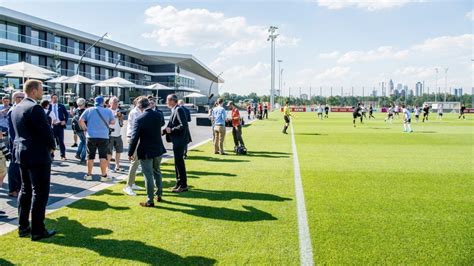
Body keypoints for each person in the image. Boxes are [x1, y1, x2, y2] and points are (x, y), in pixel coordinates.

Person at [11, 79, 57, 241]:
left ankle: (23, 227)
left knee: (25, 190)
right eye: (40, 89)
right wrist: (53, 146)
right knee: (40, 192)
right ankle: (37, 230)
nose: (42, 92)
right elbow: (46, 132)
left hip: (21, 154)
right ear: (33, 91)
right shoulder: (35, 108)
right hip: (37, 154)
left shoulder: (16, 108)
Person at [128, 97, 167, 207]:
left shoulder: (140, 119)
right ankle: (159, 194)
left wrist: (130, 153)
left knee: (148, 175)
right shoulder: (158, 115)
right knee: (157, 171)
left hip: (146, 150)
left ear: (140, 107)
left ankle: (150, 200)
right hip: (158, 148)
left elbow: (134, 138)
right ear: (149, 104)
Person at [79, 96, 115, 182]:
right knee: (103, 157)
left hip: (91, 136)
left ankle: (89, 175)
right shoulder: (108, 111)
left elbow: (80, 120)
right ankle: (103, 176)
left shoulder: (89, 110)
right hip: (103, 136)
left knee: (90, 156)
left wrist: (85, 128)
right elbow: (113, 122)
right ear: (103, 102)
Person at [163, 94, 191, 193]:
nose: (166, 102)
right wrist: (163, 131)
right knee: (177, 163)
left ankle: (183, 185)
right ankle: (179, 183)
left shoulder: (178, 109)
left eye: (167, 100)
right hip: (177, 140)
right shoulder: (175, 109)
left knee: (179, 163)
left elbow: (183, 125)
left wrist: (171, 130)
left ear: (173, 101)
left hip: (180, 140)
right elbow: (170, 125)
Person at [123, 96, 145, 196]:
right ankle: (128, 186)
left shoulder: (138, 111)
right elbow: (139, 127)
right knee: (134, 162)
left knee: (136, 162)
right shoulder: (135, 112)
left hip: (136, 137)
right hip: (134, 138)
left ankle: (132, 183)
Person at [7, 91, 24, 197]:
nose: (23, 99)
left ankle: (18, 188)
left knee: (19, 165)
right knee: (14, 165)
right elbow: (12, 129)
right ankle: (13, 189)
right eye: (21, 97)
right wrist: (16, 142)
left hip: (20, 141)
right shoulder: (13, 110)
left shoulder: (19, 109)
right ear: (15, 98)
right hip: (15, 143)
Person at [49, 94, 69, 160]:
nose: (55, 99)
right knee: (52, 141)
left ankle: (63, 155)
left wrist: (65, 121)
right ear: (51, 99)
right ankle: (51, 155)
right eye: (54, 98)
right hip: (52, 126)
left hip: (60, 125)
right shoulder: (49, 106)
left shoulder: (61, 106)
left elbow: (66, 114)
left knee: (61, 141)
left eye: (56, 98)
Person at [107, 96, 124, 173]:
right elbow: (106, 121)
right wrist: (115, 116)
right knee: (109, 152)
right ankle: (108, 166)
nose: (116, 104)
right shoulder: (107, 111)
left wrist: (121, 118)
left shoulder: (119, 111)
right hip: (110, 134)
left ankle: (117, 166)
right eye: (114, 102)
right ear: (110, 103)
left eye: (117, 102)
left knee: (118, 151)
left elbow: (121, 124)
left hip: (118, 134)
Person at [72, 98, 87, 164]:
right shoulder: (85, 111)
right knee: (85, 143)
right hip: (83, 129)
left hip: (77, 129)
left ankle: (78, 154)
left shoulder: (76, 110)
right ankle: (83, 158)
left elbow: (72, 114)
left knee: (82, 141)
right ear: (83, 104)